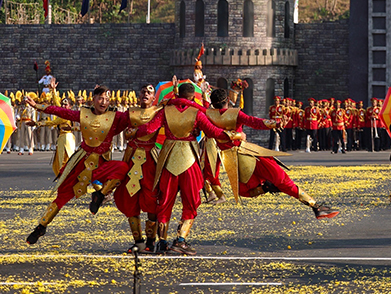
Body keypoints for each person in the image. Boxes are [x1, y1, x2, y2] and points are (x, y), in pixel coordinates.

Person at [134, 81, 242, 255]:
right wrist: (235, 135)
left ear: (178, 94)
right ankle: (181, 240)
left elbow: (148, 128)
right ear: (192, 97)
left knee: (165, 201)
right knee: (191, 201)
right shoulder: (197, 113)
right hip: (189, 160)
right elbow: (214, 131)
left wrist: (133, 131)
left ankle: (161, 242)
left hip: (168, 158)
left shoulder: (165, 111)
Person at [206, 89, 339, 218]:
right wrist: (275, 124)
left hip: (232, 161)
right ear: (228, 100)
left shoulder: (207, 115)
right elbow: (255, 122)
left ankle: (269, 188)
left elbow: (195, 108)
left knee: (244, 191)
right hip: (247, 154)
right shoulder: (235, 114)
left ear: (212, 103)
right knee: (282, 179)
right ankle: (315, 206)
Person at [24, 86, 131, 245]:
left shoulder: (116, 116)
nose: (104, 102)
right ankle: (41, 226)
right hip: (81, 161)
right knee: (62, 195)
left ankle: (100, 195)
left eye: (107, 99)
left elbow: (137, 117)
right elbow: (61, 112)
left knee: (122, 168)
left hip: (101, 163)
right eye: (100, 98)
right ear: (93, 99)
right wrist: (37, 106)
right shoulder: (83, 114)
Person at [113, 84, 160, 253]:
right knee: (130, 197)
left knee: (151, 198)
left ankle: (151, 241)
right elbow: (115, 125)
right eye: (143, 92)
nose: (145, 94)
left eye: (149, 92)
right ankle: (138, 241)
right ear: (139, 95)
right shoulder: (130, 113)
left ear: (154, 97)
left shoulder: (158, 111)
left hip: (150, 158)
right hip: (132, 158)